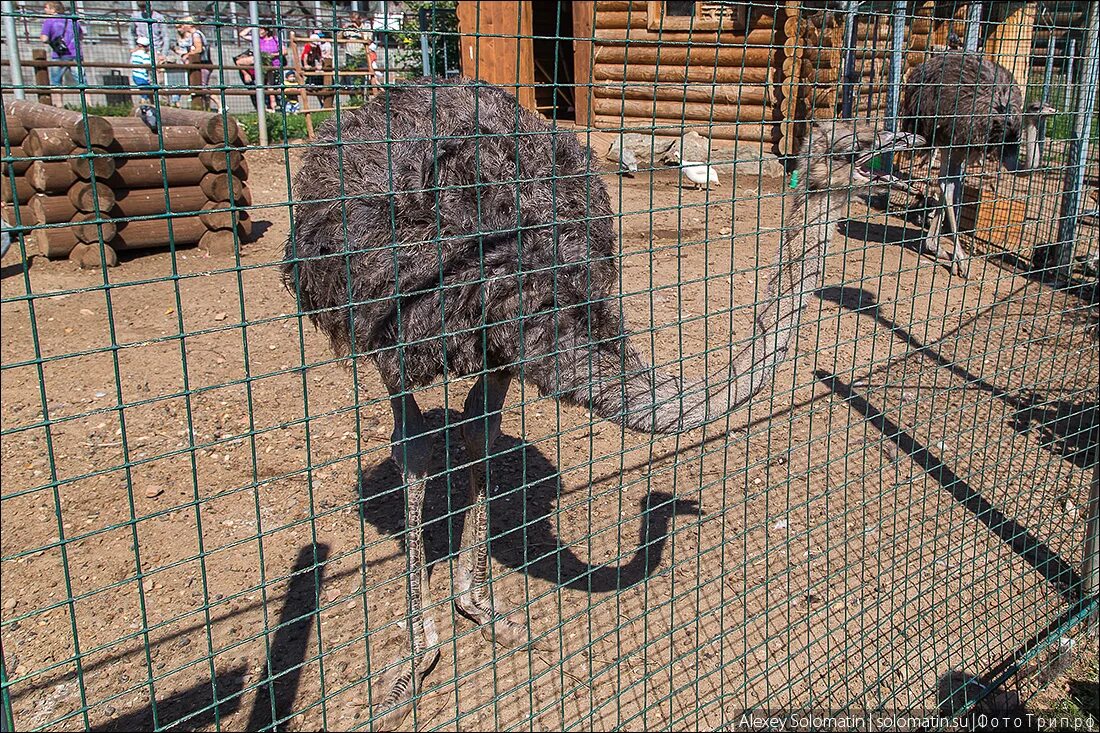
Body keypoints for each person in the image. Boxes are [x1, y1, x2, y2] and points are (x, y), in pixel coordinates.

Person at [39, 0, 84, 104]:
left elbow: (44, 39)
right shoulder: (72, 20)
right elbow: (81, 36)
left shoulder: (49, 21)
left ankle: (59, 105)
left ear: (53, 9)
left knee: (56, 82)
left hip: (59, 54)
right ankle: (89, 104)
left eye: (46, 7)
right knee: (82, 81)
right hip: (75, 53)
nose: (44, 10)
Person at [236, 27, 284, 112]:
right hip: (259, 60)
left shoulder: (275, 39)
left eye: (261, 30)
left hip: (271, 63)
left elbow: (284, 51)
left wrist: (272, 55)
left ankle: (273, 106)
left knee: (270, 84)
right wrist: (252, 26)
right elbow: (241, 35)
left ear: (267, 31)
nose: (259, 32)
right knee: (240, 62)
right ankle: (263, 107)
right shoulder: (257, 39)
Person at [176, 17, 215, 111]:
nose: (183, 26)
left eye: (185, 24)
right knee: (201, 86)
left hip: (203, 63)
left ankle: (220, 105)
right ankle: (207, 108)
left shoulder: (196, 35)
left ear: (190, 25)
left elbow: (199, 49)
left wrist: (187, 55)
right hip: (201, 63)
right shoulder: (194, 34)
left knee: (202, 86)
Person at [130, 36, 153, 104]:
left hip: (135, 75)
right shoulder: (145, 55)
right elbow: (148, 65)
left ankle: (148, 104)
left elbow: (131, 62)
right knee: (146, 93)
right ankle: (144, 106)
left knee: (145, 92)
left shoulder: (134, 54)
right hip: (142, 77)